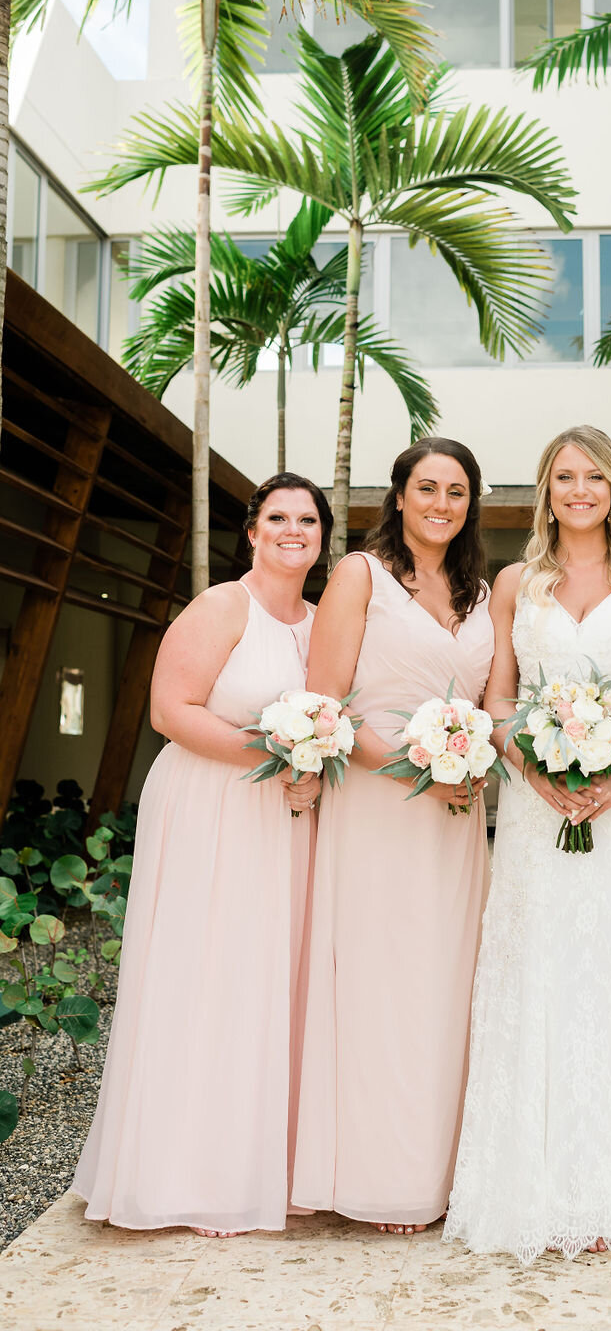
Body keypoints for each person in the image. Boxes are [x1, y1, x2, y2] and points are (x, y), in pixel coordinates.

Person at [444, 426, 611, 1264]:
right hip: (532, 810)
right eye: (563, 476)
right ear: (544, 490)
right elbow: (501, 699)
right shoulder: (517, 582)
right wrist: (536, 770)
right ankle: (532, 1189)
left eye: (594, 476)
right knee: (538, 972)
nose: (578, 489)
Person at [73, 473, 330, 1235]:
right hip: (210, 807)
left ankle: (258, 1165)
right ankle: (188, 1176)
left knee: (268, 979)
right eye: (277, 517)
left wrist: (307, 768)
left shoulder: (322, 622)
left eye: (307, 520)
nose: (293, 530)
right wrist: (276, 752)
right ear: (252, 531)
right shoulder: (223, 605)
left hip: (282, 817)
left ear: (322, 537)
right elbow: (169, 710)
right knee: (206, 973)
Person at [291, 437, 493, 1234]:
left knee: (446, 986)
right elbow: (324, 706)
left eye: (457, 490)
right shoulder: (359, 576)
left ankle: (441, 1173)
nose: (442, 503)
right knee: (381, 985)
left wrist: (467, 768)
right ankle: (381, 1179)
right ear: (400, 497)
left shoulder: (479, 593)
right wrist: (421, 768)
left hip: (456, 819)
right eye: (427, 488)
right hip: (378, 805)